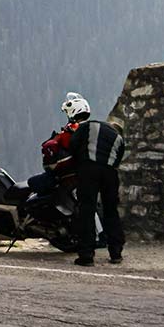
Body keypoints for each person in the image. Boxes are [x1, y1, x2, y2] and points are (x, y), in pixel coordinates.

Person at [65, 94, 125, 266]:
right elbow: (120, 152)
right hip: (110, 172)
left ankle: (86, 255)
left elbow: (73, 148)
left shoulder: (83, 129)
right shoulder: (112, 131)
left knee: (87, 210)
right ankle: (116, 252)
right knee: (111, 210)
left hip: (89, 170)